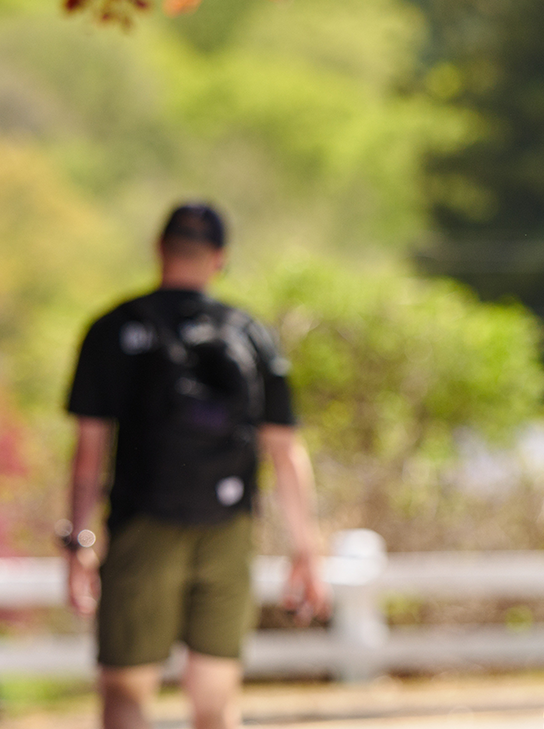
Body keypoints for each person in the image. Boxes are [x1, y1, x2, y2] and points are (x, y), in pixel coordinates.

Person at [62, 203, 330, 729]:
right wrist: (307, 549)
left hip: (142, 525)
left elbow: (88, 456)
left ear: (159, 249)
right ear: (220, 259)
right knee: (215, 699)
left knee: (126, 693)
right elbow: (286, 452)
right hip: (227, 528)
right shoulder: (250, 334)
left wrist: (79, 544)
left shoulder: (113, 329)